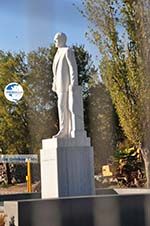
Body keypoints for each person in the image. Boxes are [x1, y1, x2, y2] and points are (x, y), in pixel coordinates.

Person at [52, 32, 78, 138]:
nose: (54, 42)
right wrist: (54, 83)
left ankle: (64, 130)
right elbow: (55, 70)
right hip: (59, 85)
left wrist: (73, 83)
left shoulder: (67, 51)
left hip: (66, 85)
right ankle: (63, 129)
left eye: (56, 39)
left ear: (62, 39)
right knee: (61, 106)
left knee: (63, 106)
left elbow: (73, 68)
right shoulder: (57, 53)